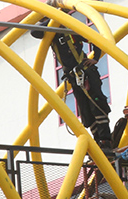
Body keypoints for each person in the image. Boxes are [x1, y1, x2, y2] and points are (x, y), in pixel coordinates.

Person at [31, 9, 114, 149]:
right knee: (85, 112)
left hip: (86, 74)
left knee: (97, 106)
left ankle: (106, 141)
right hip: (74, 78)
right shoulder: (52, 35)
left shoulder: (72, 32)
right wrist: (52, 18)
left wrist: (95, 58)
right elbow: (35, 32)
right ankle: (98, 141)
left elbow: (95, 39)